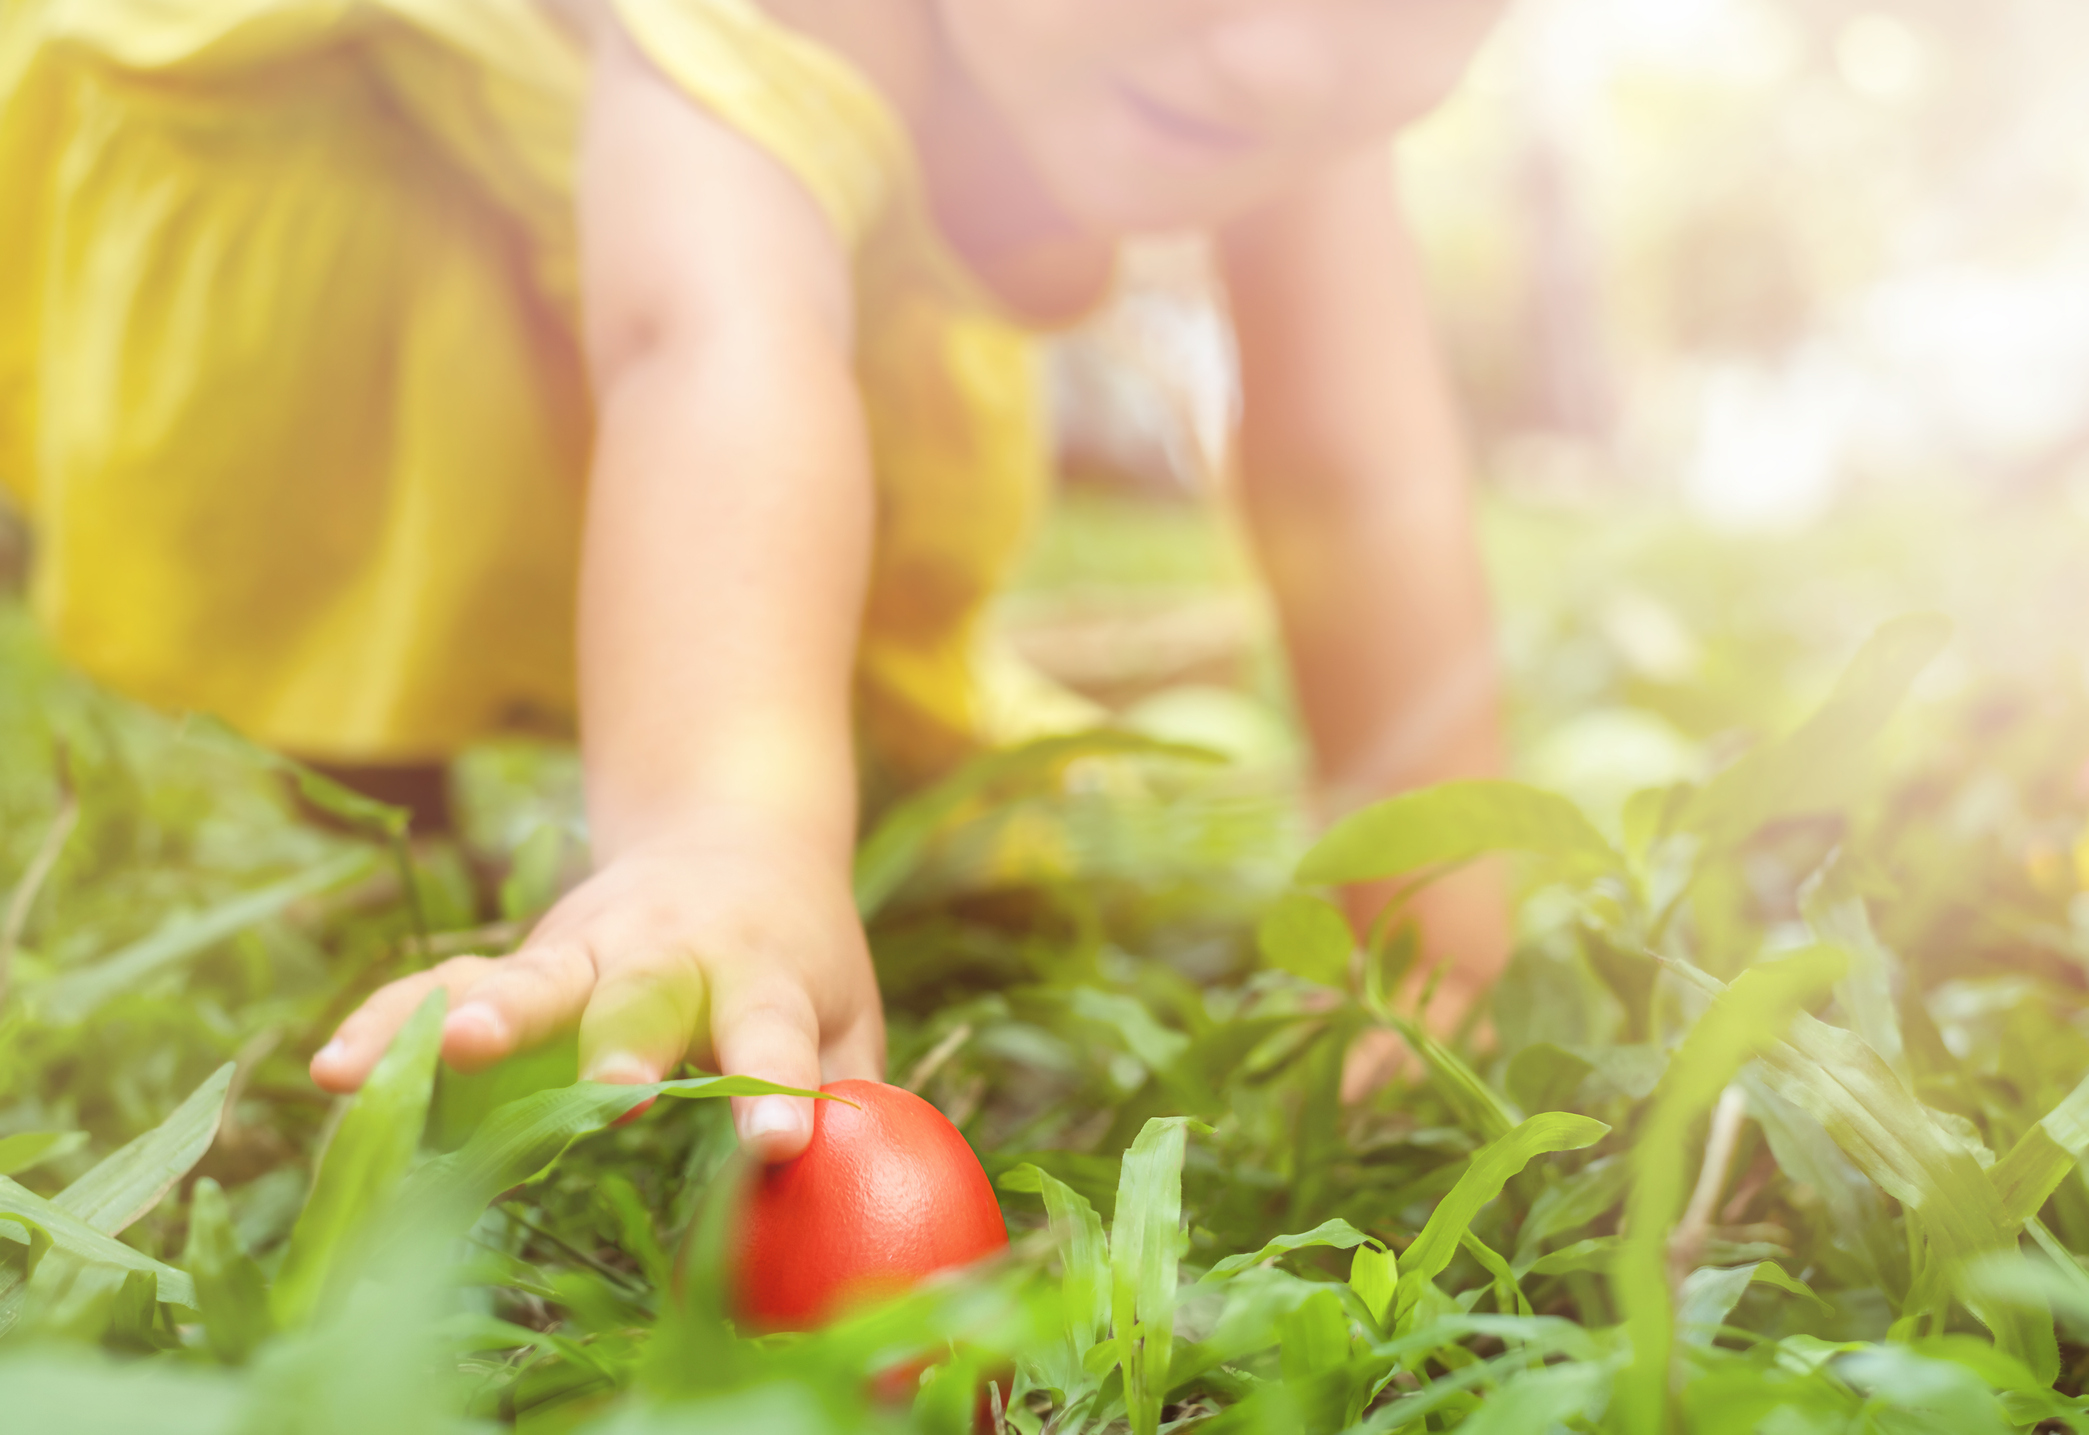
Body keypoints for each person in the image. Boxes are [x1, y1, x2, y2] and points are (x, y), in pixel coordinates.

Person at [0, 0, 1508, 1161]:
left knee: (790, 540)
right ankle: (375, 826)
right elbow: (711, 344)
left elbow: (1360, 479)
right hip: (369, 154)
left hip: (712, 243)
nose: (1281, 63)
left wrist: (1422, 917)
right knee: (359, 512)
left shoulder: (1285, 66)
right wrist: (727, 832)